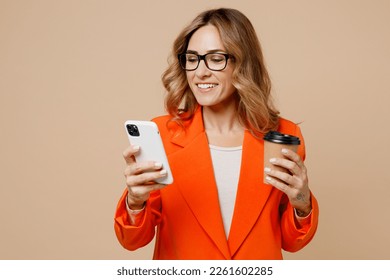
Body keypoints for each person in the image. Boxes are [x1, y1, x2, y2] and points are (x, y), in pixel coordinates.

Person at [114, 7, 319, 260]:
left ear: (243, 63)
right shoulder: (163, 135)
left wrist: (302, 204)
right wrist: (135, 201)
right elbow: (133, 240)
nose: (200, 72)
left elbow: (291, 241)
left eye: (216, 58)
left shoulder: (284, 135)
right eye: (192, 59)